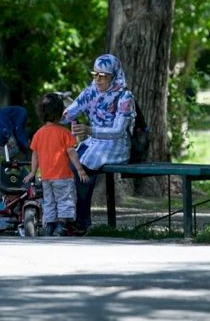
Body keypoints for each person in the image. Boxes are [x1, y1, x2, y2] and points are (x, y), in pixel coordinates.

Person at [63, 54, 137, 235]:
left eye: (103, 76)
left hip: (116, 144)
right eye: (95, 74)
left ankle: (81, 222)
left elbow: (118, 131)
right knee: (69, 162)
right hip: (94, 141)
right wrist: (63, 117)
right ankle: (67, 217)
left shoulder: (125, 96)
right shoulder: (91, 91)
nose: (98, 79)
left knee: (83, 166)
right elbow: (69, 112)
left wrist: (89, 130)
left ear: (114, 76)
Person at [24, 93, 89, 236]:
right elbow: (71, 152)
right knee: (65, 200)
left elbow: (35, 154)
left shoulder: (38, 134)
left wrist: (33, 172)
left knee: (49, 202)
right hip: (63, 176)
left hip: (46, 177)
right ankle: (62, 226)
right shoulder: (64, 133)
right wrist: (80, 169)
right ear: (60, 114)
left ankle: (49, 226)